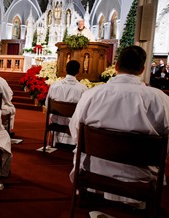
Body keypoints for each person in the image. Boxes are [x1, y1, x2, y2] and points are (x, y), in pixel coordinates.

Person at [69, 45, 169, 208]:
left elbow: (75, 131)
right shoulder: (161, 99)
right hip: (140, 174)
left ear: (115, 66)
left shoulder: (91, 94)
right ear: (142, 69)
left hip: (94, 167)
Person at [45, 60, 87, 147]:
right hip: (73, 123)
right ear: (78, 71)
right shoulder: (83, 89)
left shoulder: (54, 86)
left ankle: (57, 140)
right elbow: (84, 110)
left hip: (56, 121)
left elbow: (47, 104)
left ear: (65, 69)